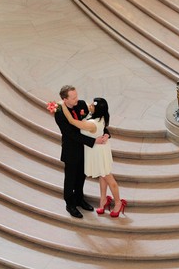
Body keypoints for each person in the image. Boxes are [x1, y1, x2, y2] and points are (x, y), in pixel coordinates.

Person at [59, 97, 127, 217]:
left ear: (97, 110)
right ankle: (103, 200)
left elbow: (72, 121)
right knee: (102, 176)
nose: (89, 105)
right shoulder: (99, 117)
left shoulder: (91, 124)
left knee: (109, 178)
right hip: (96, 150)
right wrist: (106, 134)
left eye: (92, 105)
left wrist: (62, 106)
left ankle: (118, 202)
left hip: (98, 153)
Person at [54, 85, 108, 218]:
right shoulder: (59, 113)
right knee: (70, 178)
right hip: (71, 149)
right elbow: (71, 134)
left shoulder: (82, 104)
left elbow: (97, 119)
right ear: (64, 99)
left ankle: (79, 198)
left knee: (81, 176)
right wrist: (93, 141)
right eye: (73, 98)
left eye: (76, 96)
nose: (77, 99)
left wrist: (106, 133)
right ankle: (70, 203)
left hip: (85, 150)